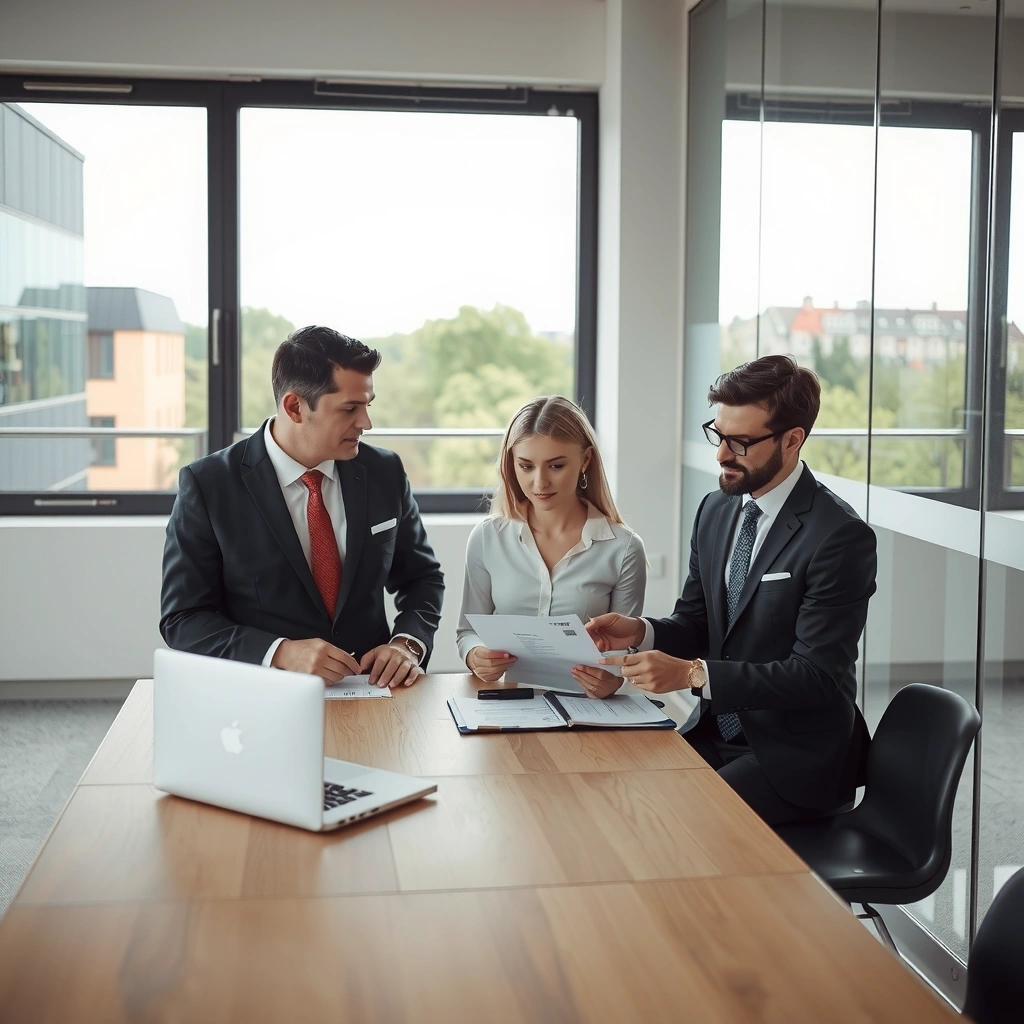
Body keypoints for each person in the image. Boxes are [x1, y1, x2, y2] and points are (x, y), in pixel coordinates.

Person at [576, 355, 876, 825]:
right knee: (617, 795)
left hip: (794, 757)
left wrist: (694, 674)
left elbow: (815, 676)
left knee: (673, 822)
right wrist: (639, 632)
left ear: (792, 439)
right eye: (718, 434)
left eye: (740, 442)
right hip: (717, 734)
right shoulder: (717, 509)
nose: (720, 454)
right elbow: (696, 622)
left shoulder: (838, 536)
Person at [160, 326, 444, 688]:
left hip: (372, 692)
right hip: (262, 695)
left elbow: (422, 578)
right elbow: (183, 618)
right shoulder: (209, 485)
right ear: (295, 407)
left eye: (367, 406)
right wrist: (279, 652)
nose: (366, 423)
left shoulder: (383, 471)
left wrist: (408, 643)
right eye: (349, 409)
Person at [457, 395, 646, 683]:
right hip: (510, 702)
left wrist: (612, 678)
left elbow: (625, 648)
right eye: (526, 466)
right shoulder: (487, 537)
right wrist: (476, 656)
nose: (540, 482)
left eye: (556, 466)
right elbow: (467, 632)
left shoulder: (624, 548)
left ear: (585, 460)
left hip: (590, 710)